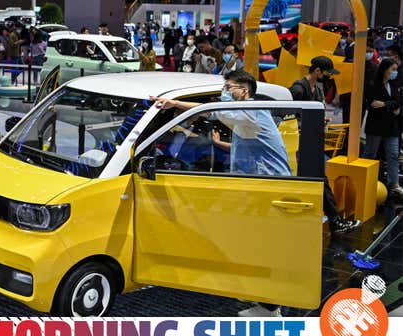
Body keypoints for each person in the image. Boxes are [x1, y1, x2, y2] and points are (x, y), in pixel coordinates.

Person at [151, 70, 290, 317]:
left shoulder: (250, 110)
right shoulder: (246, 114)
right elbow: (247, 141)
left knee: (263, 246)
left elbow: (206, 109)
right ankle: (262, 298)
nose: (224, 90)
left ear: (243, 90)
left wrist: (173, 103)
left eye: (228, 86)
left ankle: (271, 308)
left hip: (270, 186)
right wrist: (220, 144)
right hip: (254, 186)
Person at [289, 56, 362, 234]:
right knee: (319, 181)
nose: (329, 77)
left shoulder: (317, 89)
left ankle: (331, 220)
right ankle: (335, 221)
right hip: (300, 146)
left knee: (319, 181)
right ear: (317, 71)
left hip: (311, 142)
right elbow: (290, 117)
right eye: (327, 73)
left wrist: (320, 120)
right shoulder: (298, 89)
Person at [362, 58, 403, 198]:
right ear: (384, 70)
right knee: (370, 155)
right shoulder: (373, 84)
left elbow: (398, 103)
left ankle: (394, 184)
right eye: (393, 69)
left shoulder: (395, 84)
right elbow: (373, 105)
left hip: (392, 126)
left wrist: (385, 105)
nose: (395, 72)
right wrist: (392, 106)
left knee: (393, 155)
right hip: (375, 126)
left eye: (396, 69)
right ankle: (366, 180)